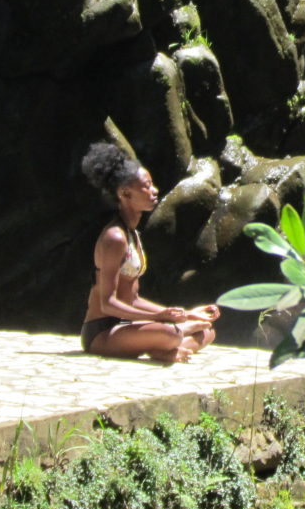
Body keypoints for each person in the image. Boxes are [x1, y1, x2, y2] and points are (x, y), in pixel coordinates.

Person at [79, 142, 219, 362]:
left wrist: (183, 314)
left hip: (128, 327)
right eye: (147, 186)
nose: (154, 191)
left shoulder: (132, 234)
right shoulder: (114, 238)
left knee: (207, 331)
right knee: (171, 332)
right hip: (102, 334)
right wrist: (161, 317)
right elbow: (108, 303)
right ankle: (168, 345)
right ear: (126, 193)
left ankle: (165, 350)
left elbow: (131, 299)